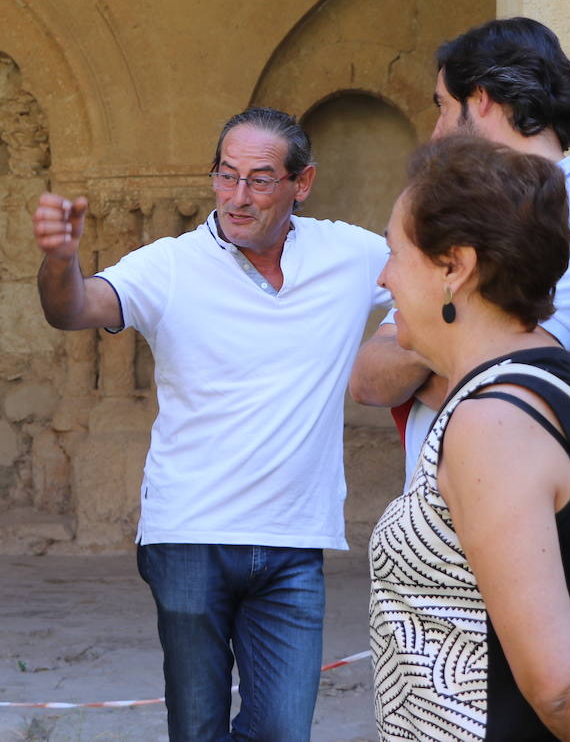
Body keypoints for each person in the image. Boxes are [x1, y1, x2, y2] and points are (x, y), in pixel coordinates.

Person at [34, 107, 390, 741]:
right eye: (225, 177)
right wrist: (61, 262)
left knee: (283, 731)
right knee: (197, 731)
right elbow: (75, 308)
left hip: (294, 539)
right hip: (189, 535)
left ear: (301, 184)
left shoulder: (352, 254)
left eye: (258, 180)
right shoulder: (169, 264)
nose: (237, 197)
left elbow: (441, 289)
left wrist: (397, 343)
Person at [368, 135, 570, 741]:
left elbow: (559, 686)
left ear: (455, 266)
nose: (384, 276)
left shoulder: (493, 422)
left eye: (395, 252)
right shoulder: (559, 379)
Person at [350, 17, 570, 490]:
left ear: (482, 100)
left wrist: (426, 348)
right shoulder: (460, 217)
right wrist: (454, 349)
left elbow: (497, 372)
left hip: (550, 519)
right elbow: (370, 378)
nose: (436, 133)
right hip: (444, 527)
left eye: (443, 107)